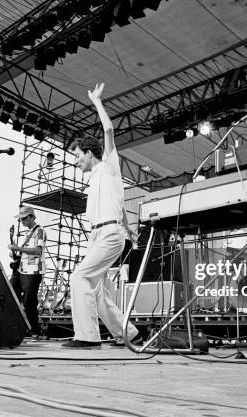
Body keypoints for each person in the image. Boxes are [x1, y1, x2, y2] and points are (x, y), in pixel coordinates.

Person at [62, 82, 140, 349]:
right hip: (103, 234)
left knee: (79, 277)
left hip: (108, 235)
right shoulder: (98, 180)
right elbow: (118, 206)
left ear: (89, 153)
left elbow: (108, 129)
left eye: (77, 155)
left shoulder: (108, 166)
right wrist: (128, 228)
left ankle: (87, 337)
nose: (76, 161)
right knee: (96, 291)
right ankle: (128, 333)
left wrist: (96, 101)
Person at [8, 206, 47, 340]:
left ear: (31, 217)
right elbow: (25, 252)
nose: (22, 221)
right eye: (21, 219)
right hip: (21, 270)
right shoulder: (28, 233)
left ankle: (35, 330)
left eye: (24, 218)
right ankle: (17, 326)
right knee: (11, 295)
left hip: (33, 271)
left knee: (29, 301)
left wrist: (18, 248)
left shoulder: (40, 231)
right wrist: (15, 253)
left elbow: (37, 251)